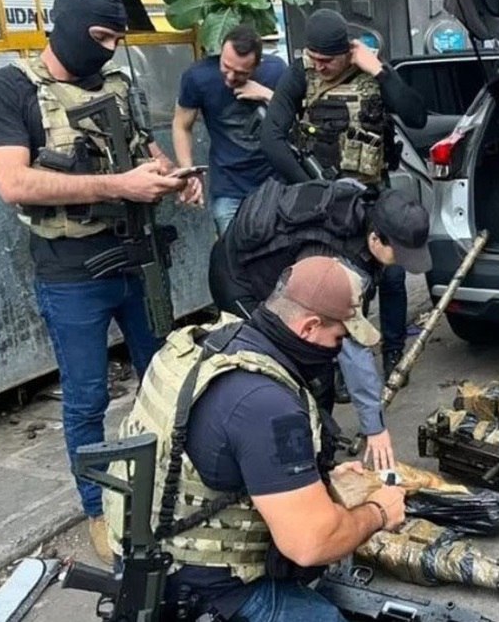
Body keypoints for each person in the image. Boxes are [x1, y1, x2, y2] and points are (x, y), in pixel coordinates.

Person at [0, 0, 193, 563]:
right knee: (86, 398)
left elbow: (146, 148)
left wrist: (169, 175)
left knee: (165, 380)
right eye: (100, 36)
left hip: (140, 259)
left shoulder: (118, 84)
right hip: (71, 272)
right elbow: (12, 182)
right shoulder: (9, 88)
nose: (109, 49)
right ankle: (99, 510)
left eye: (118, 39)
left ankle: (171, 491)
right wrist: (118, 185)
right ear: (67, 24)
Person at [105, 256, 406, 622]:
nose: (338, 349)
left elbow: (217, 450)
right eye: (339, 337)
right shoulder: (267, 405)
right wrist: (378, 512)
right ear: (310, 327)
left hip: (143, 555)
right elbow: (311, 544)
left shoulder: (207, 343)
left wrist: (319, 481)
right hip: (199, 587)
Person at [208, 177, 432, 470]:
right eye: (400, 254)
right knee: (282, 371)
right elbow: (353, 349)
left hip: (285, 273)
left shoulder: (366, 203)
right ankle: (284, 465)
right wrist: (374, 427)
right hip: (240, 280)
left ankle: (319, 451)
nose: (402, 262)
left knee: (320, 367)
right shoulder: (336, 263)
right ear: (375, 239)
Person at [261, 8, 429, 378]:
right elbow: (271, 136)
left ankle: (394, 352)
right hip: (325, 200)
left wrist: (379, 70)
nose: (319, 66)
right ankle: (335, 363)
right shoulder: (300, 73)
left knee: (392, 275)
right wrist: (312, 187)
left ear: (346, 51)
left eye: (328, 60)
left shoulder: (370, 69)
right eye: (314, 58)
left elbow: (417, 117)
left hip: (372, 193)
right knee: (336, 282)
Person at [172, 24, 287, 233]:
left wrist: (267, 95)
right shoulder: (198, 77)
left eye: (241, 73)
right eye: (226, 67)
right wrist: (188, 171)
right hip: (228, 186)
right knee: (232, 249)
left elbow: (297, 118)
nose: (231, 77)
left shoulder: (276, 71)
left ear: (257, 65)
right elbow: (181, 125)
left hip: (275, 183)